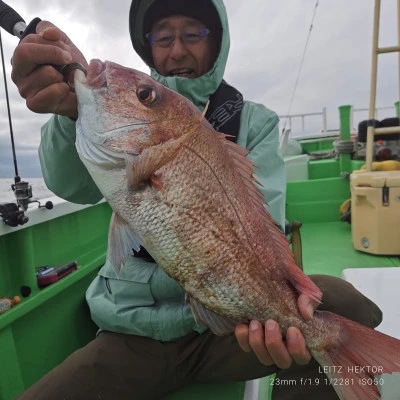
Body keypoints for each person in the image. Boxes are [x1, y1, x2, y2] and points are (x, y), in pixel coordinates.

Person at [11, 1, 382, 399]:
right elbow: (73, 186)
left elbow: (265, 227)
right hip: (130, 333)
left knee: (341, 307)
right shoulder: (107, 137)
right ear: (147, 45)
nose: (177, 50)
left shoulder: (254, 122)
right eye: (163, 37)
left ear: (217, 41)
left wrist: (270, 310)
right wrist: (72, 113)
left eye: (192, 34)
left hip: (224, 330)